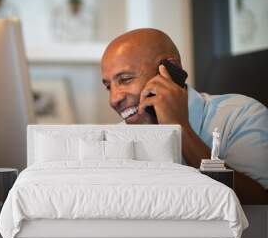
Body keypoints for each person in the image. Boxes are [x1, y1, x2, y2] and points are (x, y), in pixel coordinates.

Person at [101, 28, 268, 204]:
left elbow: (260, 205)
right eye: (108, 87)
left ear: (169, 70)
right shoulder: (115, 139)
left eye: (126, 79)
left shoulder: (241, 115)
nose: (114, 99)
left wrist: (179, 128)